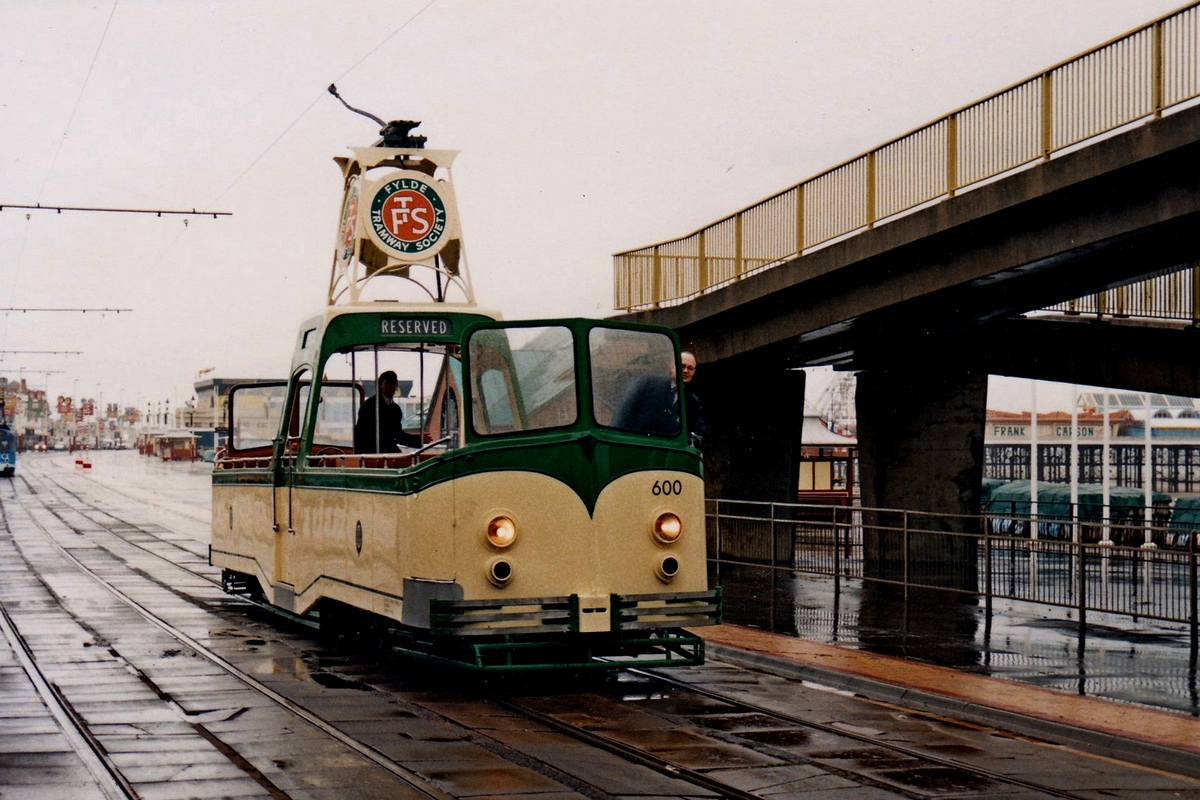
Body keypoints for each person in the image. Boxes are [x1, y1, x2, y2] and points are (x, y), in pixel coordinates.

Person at [354, 370, 422, 453]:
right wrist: (418, 440)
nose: (391, 386)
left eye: (394, 383)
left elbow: (397, 435)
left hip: (386, 452)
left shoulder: (395, 409)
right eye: (388, 383)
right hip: (372, 453)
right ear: (380, 385)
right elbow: (363, 435)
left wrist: (419, 439)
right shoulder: (369, 406)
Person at [680, 351, 705, 447]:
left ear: (694, 372)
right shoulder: (657, 390)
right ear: (672, 367)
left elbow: (699, 432)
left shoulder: (694, 402)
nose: (686, 371)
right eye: (682, 366)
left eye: (690, 368)